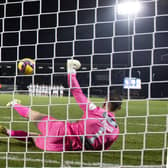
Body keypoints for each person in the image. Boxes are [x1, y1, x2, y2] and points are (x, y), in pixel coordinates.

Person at [0, 59, 122, 151]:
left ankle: (14, 104)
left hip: (60, 130)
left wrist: (71, 72)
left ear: (105, 101)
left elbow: (77, 92)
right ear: (119, 107)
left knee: (35, 116)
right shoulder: (115, 131)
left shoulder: (95, 110)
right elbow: (102, 149)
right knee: (34, 138)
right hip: (64, 146)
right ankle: (8, 132)